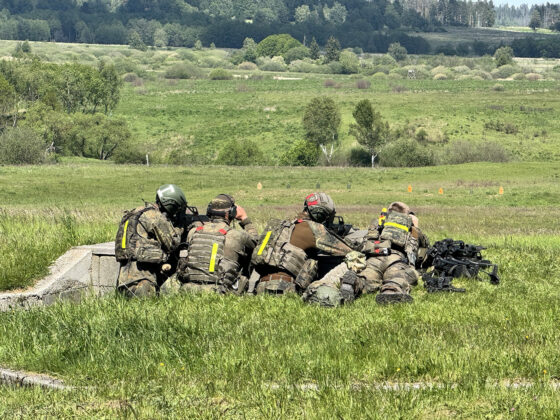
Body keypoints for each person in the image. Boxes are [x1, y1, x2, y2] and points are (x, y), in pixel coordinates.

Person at [303, 201, 429, 306]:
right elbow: (423, 251)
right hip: (396, 259)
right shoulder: (411, 229)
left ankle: (354, 284)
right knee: (398, 277)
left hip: (374, 258)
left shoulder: (378, 224)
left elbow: (366, 241)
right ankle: (391, 290)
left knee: (367, 278)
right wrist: (415, 225)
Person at [250, 192, 355, 295]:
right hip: (285, 290)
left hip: (260, 288)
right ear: (320, 215)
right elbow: (348, 251)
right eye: (329, 218)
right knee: (355, 259)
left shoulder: (278, 228)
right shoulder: (314, 228)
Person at [175, 194, 258, 293]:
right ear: (231, 213)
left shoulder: (193, 232)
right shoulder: (236, 235)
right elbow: (257, 245)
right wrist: (245, 220)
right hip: (220, 291)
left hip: (188, 290)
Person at [115, 184, 186, 297]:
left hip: (123, 279)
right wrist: (180, 228)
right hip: (142, 281)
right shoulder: (154, 216)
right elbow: (172, 244)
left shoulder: (135, 212)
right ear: (171, 204)